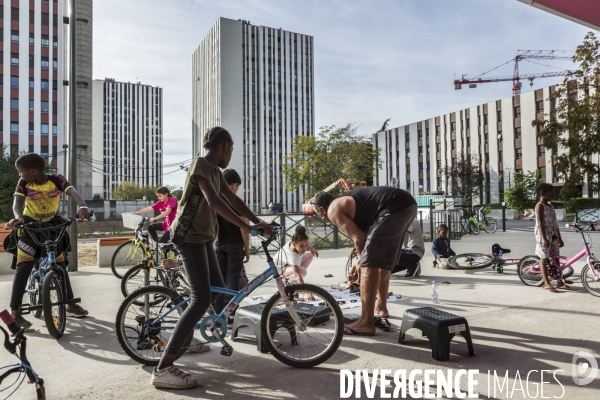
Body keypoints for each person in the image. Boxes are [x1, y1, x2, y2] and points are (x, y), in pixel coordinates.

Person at [151, 127, 272, 390]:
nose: (232, 155)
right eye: (232, 149)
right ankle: (162, 369)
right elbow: (215, 201)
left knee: (218, 293)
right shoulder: (201, 165)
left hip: (203, 237)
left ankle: (189, 332)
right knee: (201, 298)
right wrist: (247, 227)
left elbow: (233, 202)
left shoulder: (217, 173)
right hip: (188, 236)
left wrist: (256, 221)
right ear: (225, 146)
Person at [310, 186, 417, 336]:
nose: (323, 218)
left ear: (322, 209)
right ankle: (381, 307)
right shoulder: (350, 203)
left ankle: (366, 322)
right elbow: (365, 238)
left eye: (319, 214)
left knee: (368, 265)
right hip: (406, 204)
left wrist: (362, 262)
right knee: (382, 262)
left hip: (392, 207)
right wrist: (360, 259)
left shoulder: (333, 209)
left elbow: (359, 238)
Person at [3, 153, 90, 330]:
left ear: (33, 171)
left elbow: (72, 191)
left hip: (51, 226)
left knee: (59, 265)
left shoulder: (56, 179)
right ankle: (15, 312)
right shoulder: (24, 183)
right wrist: (18, 218)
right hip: (29, 226)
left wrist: (83, 206)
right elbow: (17, 203)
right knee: (24, 267)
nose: (20, 175)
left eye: (21, 172)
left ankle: (69, 303)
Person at [214, 169, 250, 314]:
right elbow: (244, 227)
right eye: (238, 187)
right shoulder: (235, 202)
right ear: (234, 185)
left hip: (218, 244)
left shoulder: (215, 200)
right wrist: (247, 249)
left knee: (220, 279)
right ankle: (231, 313)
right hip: (235, 244)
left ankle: (219, 312)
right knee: (233, 279)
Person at [534, 183, 567, 292]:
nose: (553, 194)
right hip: (544, 234)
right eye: (551, 192)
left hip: (553, 233)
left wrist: (560, 238)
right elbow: (539, 222)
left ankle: (559, 280)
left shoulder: (551, 206)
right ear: (543, 193)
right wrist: (544, 238)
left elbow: (555, 223)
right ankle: (546, 283)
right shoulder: (540, 205)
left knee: (556, 257)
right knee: (544, 257)